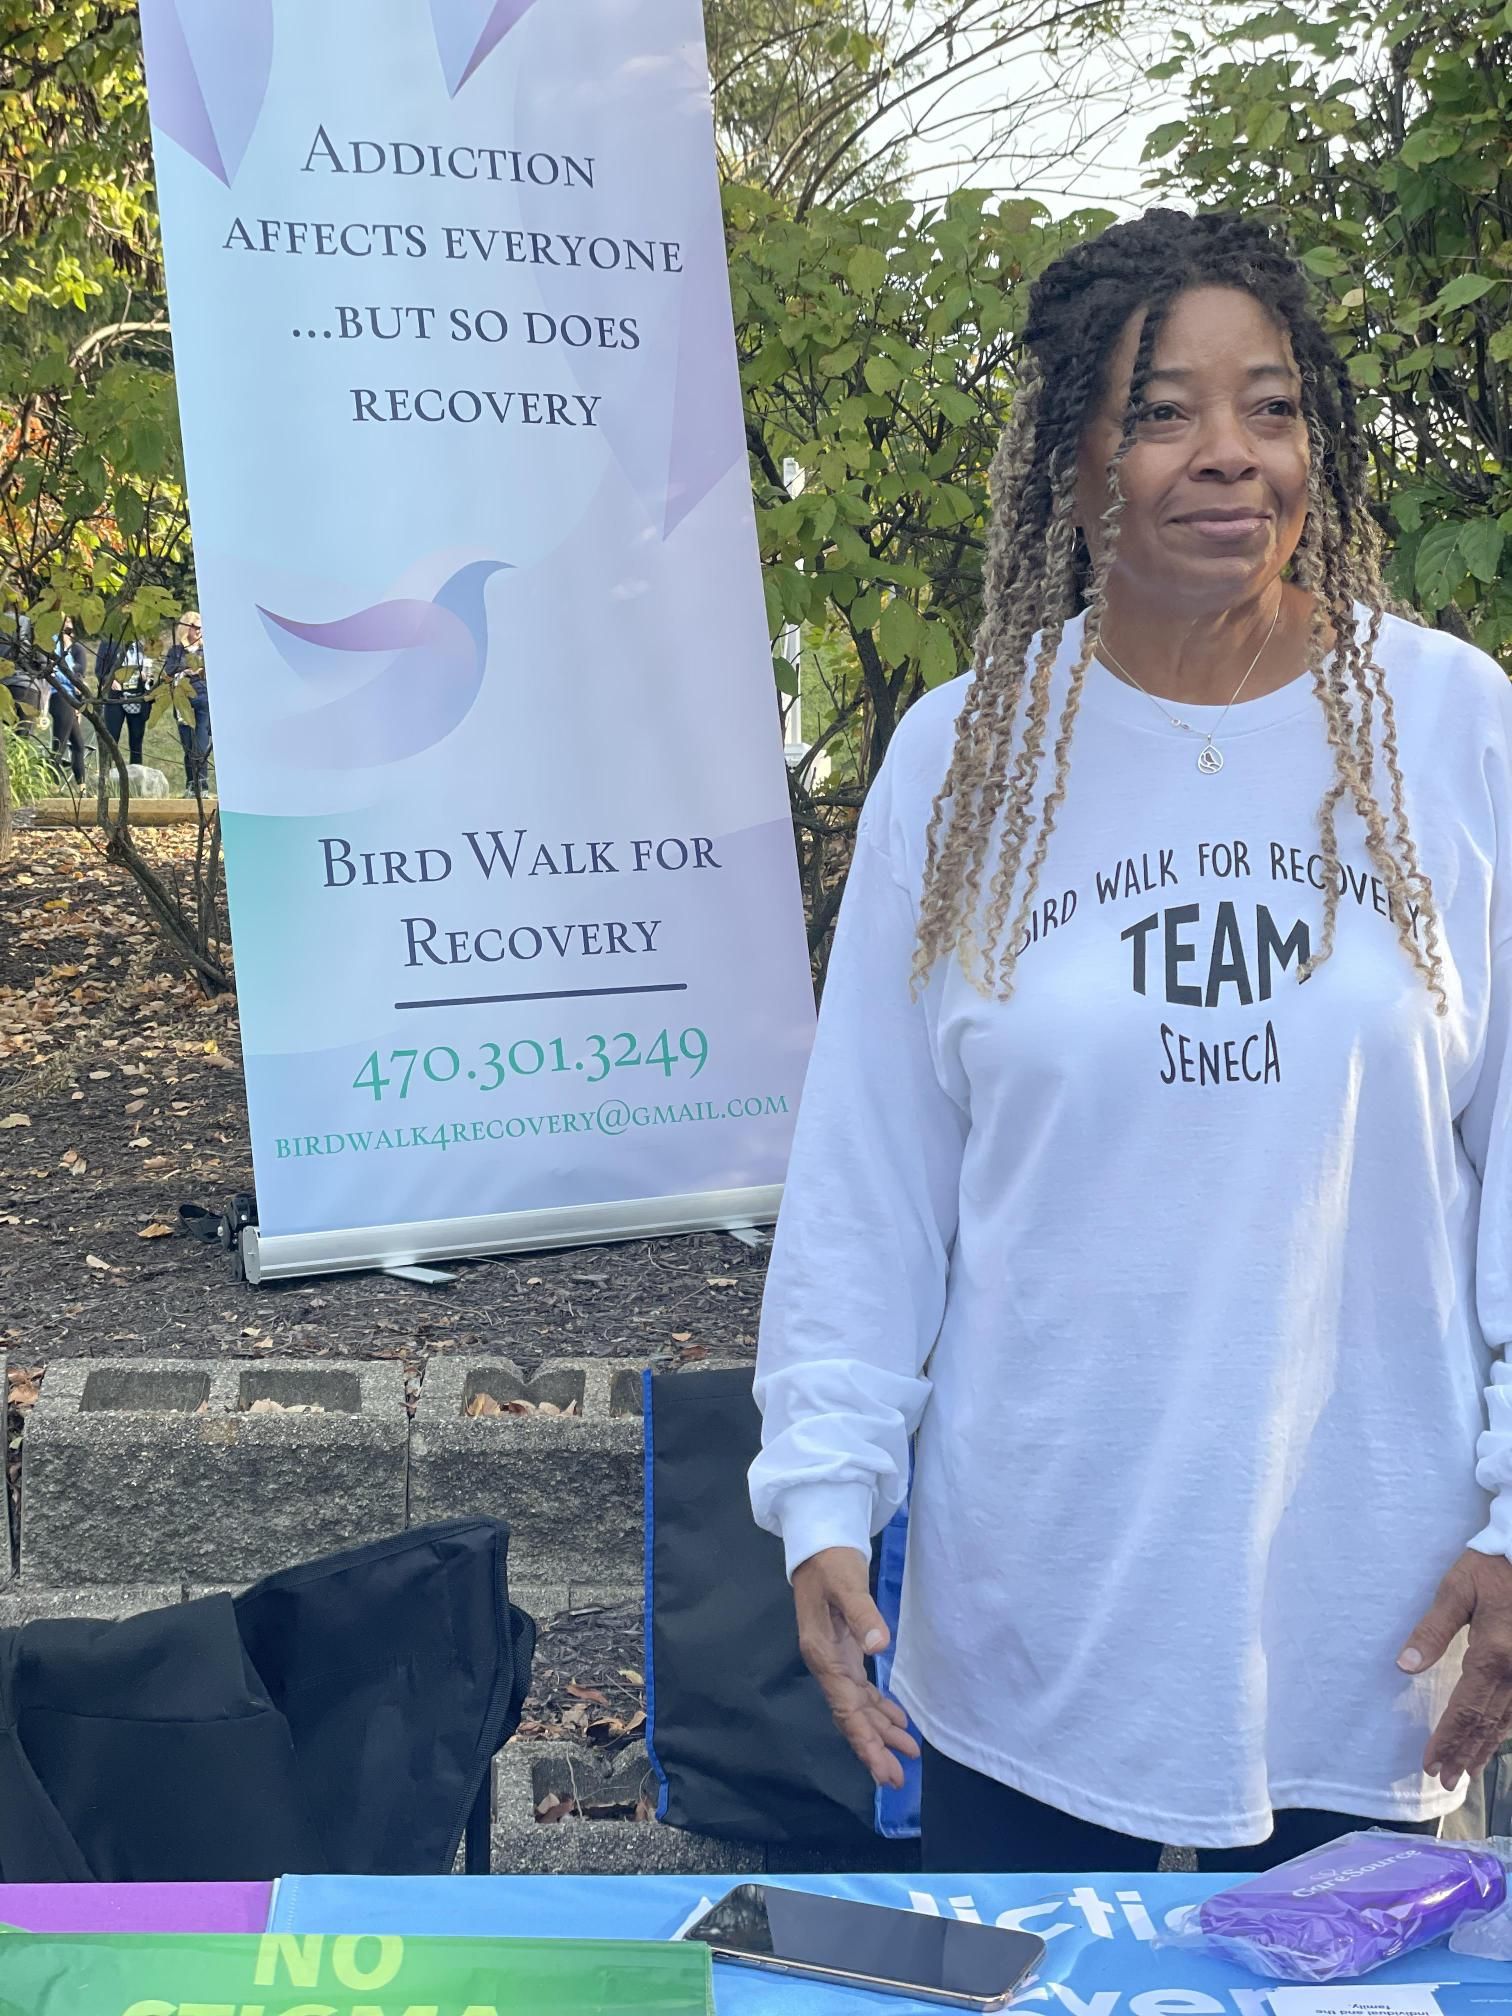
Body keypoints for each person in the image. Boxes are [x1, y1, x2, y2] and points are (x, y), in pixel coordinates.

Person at [749, 208, 1512, 1875]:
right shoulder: (965, 761)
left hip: (1368, 1624)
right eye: (1162, 410)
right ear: (1070, 454)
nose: (1227, 457)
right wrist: (822, 1486)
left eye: (1273, 405)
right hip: (1032, 1618)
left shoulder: (1455, 732)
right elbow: (870, 1179)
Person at [162, 610, 210, 792]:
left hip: (203, 700)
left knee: (201, 744)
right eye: (196, 627)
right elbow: (168, 671)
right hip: (182, 701)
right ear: (187, 627)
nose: (199, 632)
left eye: (201, 628)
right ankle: (191, 784)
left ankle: (202, 785)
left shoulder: (206, 650)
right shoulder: (176, 651)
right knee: (188, 745)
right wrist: (186, 670)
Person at [98, 634, 153, 766]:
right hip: (115, 697)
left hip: (138, 697)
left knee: (136, 741)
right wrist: (108, 680)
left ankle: (136, 778)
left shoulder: (145, 644)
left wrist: (147, 678)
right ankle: (106, 776)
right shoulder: (109, 643)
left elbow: (153, 672)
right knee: (111, 739)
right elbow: (99, 670)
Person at [48, 618, 87, 785]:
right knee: (60, 741)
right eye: (65, 628)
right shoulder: (52, 644)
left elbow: (76, 675)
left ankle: (82, 787)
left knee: (78, 744)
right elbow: (58, 672)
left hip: (70, 697)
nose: (68, 632)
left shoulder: (70, 649)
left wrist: (78, 701)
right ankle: (53, 784)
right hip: (58, 694)